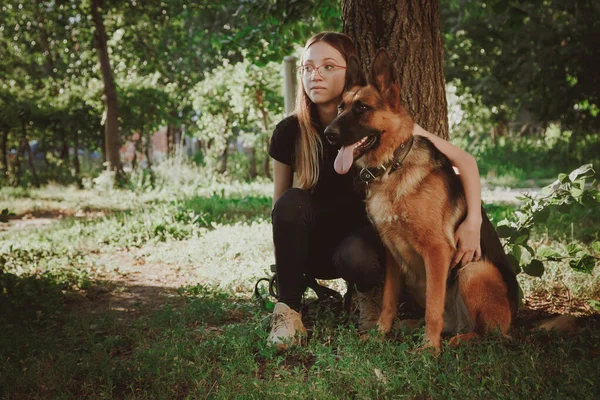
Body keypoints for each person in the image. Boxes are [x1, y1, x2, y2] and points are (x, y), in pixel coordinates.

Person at [267, 32, 483, 350]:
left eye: (328, 66)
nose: (315, 75)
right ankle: (288, 310)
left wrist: (473, 222)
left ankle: (366, 297)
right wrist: (287, 263)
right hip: (316, 246)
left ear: (348, 74)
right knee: (290, 202)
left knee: (360, 253)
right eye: (307, 67)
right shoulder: (290, 131)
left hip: (359, 252)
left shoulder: (388, 125)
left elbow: (464, 160)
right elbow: (279, 208)